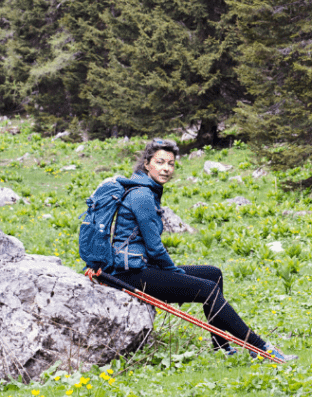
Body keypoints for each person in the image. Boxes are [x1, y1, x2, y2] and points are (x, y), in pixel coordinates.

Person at [102, 138, 296, 362]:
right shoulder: (142, 195)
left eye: (171, 164)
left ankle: (221, 346)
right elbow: (155, 248)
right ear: (147, 164)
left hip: (138, 267)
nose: (166, 168)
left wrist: (172, 272)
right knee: (207, 289)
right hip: (130, 274)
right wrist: (174, 272)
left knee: (213, 274)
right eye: (160, 162)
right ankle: (260, 348)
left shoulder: (145, 189)